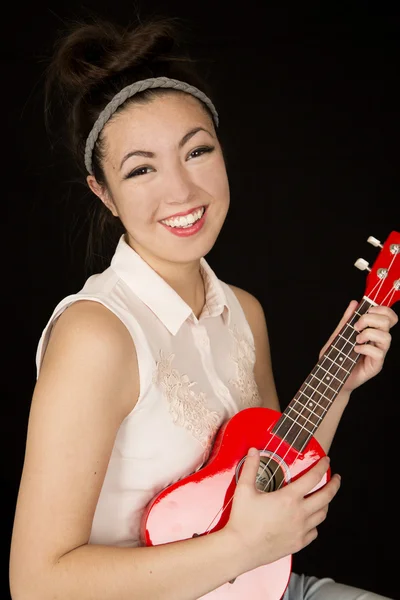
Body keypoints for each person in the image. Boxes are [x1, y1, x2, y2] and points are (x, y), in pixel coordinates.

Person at [9, 13, 398, 600]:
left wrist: (340, 382)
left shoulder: (244, 312)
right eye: (141, 169)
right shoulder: (97, 334)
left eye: (197, 152)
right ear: (103, 193)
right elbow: (36, 585)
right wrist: (241, 547)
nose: (183, 193)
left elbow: (271, 476)